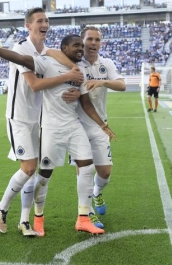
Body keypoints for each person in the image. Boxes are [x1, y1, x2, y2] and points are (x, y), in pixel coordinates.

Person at [0, 32, 113, 235]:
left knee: (87, 168)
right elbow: (20, 58)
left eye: (82, 45)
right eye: (76, 45)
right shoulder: (47, 63)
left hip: (73, 126)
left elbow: (86, 103)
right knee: (43, 177)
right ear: (65, 49)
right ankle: (38, 218)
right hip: (51, 128)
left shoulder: (80, 70)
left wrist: (102, 124)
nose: (81, 48)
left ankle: (83, 218)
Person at [46, 26, 126, 229]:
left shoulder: (105, 63)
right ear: (82, 42)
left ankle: (97, 193)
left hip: (99, 124)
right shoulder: (74, 61)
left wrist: (102, 82)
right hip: (77, 125)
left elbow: (122, 85)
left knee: (105, 172)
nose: (93, 43)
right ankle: (87, 212)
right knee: (83, 170)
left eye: (97, 40)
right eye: (89, 39)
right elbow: (49, 51)